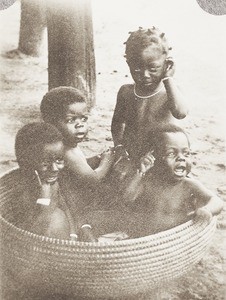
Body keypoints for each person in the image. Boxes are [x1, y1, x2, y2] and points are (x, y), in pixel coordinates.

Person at [118, 124, 224, 234]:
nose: (181, 158)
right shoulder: (147, 182)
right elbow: (126, 198)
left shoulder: (188, 185)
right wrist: (141, 172)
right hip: (147, 239)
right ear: (153, 158)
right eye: (171, 153)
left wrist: (207, 210)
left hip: (175, 238)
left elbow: (217, 201)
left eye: (186, 153)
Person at [111, 26, 188, 161]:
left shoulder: (170, 92)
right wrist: (119, 146)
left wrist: (168, 79)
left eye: (153, 69)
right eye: (136, 69)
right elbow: (117, 123)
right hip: (133, 156)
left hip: (162, 158)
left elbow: (180, 113)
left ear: (167, 64)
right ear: (128, 64)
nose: (145, 75)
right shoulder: (126, 92)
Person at [40, 86, 115, 216]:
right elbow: (94, 179)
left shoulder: (69, 143)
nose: (80, 125)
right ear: (50, 123)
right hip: (76, 208)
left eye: (84, 118)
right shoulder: (66, 151)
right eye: (71, 120)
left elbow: (79, 166)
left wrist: (96, 158)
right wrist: (106, 161)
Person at [14, 122, 77, 240]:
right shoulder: (26, 191)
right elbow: (34, 233)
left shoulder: (53, 183)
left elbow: (65, 208)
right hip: (43, 248)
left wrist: (73, 235)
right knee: (55, 219)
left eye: (59, 160)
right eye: (45, 163)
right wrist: (45, 199)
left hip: (66, 246)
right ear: (27, 164)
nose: (54, 168)